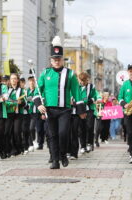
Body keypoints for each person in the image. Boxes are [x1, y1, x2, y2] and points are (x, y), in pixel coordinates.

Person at [33, 36, 86, 169]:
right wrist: (39, 104)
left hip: (65, 110)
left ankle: (63, 154)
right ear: (51, 60)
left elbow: (76, 92)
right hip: (49, 109)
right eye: (54, 59)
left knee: (63, 133)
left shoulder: (70, 74)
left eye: (59, 59)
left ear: (63, 60)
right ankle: (55, 160)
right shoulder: (45, 73)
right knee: (52, 135)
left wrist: (81, 111)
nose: (56, 61)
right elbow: (37, 91)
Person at [78, 72, 101, 153]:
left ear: (87, 79)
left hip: (90, 109)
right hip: (80, 110)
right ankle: (83, 146)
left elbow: (94, 97)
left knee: (90, 127)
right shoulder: (77, 87)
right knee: (81, 128)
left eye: (84, 81)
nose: (83, 82)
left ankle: (89, 143)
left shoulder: (91, 87)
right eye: (81, 81)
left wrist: (89, 100)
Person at [5, 73, 26, 157]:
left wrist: (21, 103)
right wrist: (13, 103)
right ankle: (10, 150)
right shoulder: (7, 90)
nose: (13, 80)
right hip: (9, 114)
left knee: (16, 132)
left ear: (17, 80)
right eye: (12, 79)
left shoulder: (22, 91)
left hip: (18, 114)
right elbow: (5, 101)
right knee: (7, 132)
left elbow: (25, 102)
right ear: (10, 80)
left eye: (15, 78)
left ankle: (18, 148)